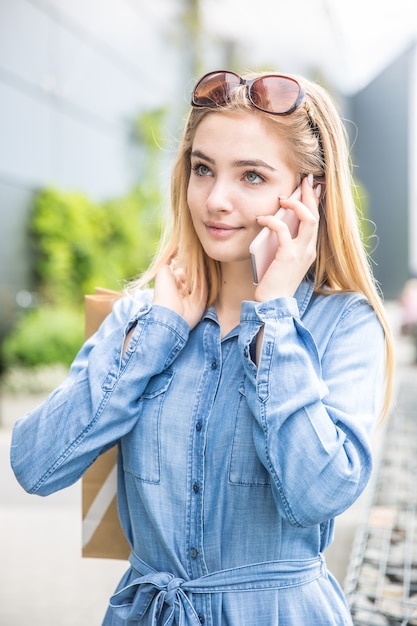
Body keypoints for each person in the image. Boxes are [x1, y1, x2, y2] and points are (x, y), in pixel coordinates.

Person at [10, 69, 394, 625]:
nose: (216, 199)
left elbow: (320, 493)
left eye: (253, 176)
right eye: (202, 169)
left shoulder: (344, 325)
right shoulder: (142, 317)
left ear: (309, 194)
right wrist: (158, 336)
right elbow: (35, 465)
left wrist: (276, 317)